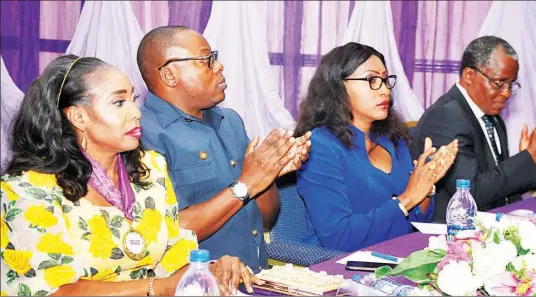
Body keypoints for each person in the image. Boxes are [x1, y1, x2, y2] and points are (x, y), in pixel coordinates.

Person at [0, 55, 263, 296]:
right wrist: (156, 288)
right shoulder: (27, 190)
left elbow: (175, 260)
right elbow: (56, 291)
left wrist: (206, 270)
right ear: (78, 116)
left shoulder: (150, 171)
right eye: (118, 102)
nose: (136, 113)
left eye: (133, 100)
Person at [136, 26, 311, 273]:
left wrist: (267, 174)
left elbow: (265, 219)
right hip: (196, 284)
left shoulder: (230, 121)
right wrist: (246, 184)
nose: (219, 67)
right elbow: (169, 233)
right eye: (207, 60)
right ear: (170, 75)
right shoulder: (142, 134)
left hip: (256, 277)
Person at [293, 42, 459, 252]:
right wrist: (407, 199)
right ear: (338, 86)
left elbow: (417, 220)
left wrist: (425, 185)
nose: (384, 90)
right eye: (372, 80)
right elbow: (339, 237)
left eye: (385, 80)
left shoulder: (392, 139)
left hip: (398, 255)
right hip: (338, 266)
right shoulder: (319, 147)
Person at [411, 36, 536, 222]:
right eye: (499, 83)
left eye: (511, 84)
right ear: (469, 76)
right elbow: (471, 193)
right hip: (452, 231)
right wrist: (530, 156)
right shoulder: (446, 117)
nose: (506, 93)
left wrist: (531, 161)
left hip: (490, 222)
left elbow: (498, 187)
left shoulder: (492, 117)